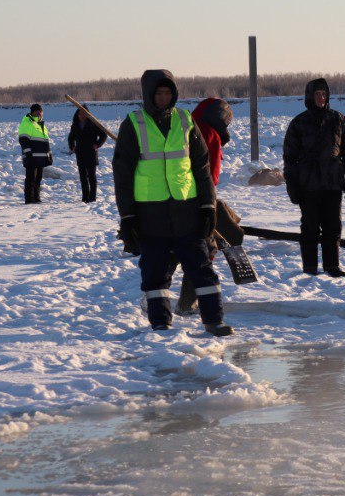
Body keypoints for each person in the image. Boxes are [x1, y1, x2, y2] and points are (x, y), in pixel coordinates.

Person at [112, 70, 233, 337]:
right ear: (148, 95)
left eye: (168, 93)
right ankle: (161, 325)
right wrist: (128, 216)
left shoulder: (185, 120)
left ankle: (214, 320)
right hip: (150, 215)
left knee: (202, 268)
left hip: (186, 211)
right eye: (159, 93)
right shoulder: (134, 124)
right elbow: (122, 175)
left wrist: (207, 206)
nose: (164, 98)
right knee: (155, 274)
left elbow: (201, 167)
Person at [282, 78, 345, 276]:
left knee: (333, 227)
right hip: (308, 185)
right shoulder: (299, 123)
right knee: (310, 228)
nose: (321, 98)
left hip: (333, 184)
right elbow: (290, 158)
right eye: (317, 94)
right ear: (309, 96)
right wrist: (291, 183)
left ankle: (332, 266)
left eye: (324, 94)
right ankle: (310, 268)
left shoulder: (338, 120)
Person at [177, 97, 242, 315]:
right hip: (197, 198)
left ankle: (183, 300)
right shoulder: (210, 134)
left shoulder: (185, 128)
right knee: (204, 249)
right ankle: (188, 302)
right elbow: (210, 175)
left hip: (178, 197)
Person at [66, 105, 107, 202]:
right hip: (80, 153)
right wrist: (72, 147)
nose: (81, 116)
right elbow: (70, 138)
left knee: (91, 176)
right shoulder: (75, 125)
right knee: (83, 177)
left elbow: (103, 135)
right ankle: (85, 197)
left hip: (91, 153)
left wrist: (97, 144)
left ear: (87, 114)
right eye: (80, 114)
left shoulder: (93, 124)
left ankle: (92, 198)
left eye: (84, 114)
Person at [17, 103, 52, 204]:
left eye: (41, 111)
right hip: (31, 157)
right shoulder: (27, 123)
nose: (39, 113)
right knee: (30, 178)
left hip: (41, 157)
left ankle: (36, 197)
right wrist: (28, 154)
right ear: (32, 112)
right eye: (37, 111)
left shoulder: (42, 125)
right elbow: (23, 140)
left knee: (38, 178)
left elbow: (46, 142)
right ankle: (29, 199)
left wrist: (49, 154)